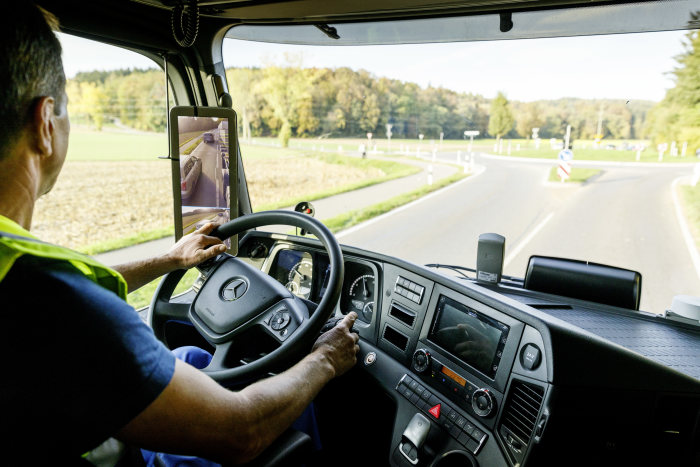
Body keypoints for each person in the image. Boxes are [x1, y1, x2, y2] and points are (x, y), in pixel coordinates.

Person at [0, 3, 359, 465]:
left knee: (190, 356)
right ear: (45, 122)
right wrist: (325, 360)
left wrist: (169, 260)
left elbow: (69, 286)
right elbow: (241, 431)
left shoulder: (21, 272)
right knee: (288, 395)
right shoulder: (57, 309)